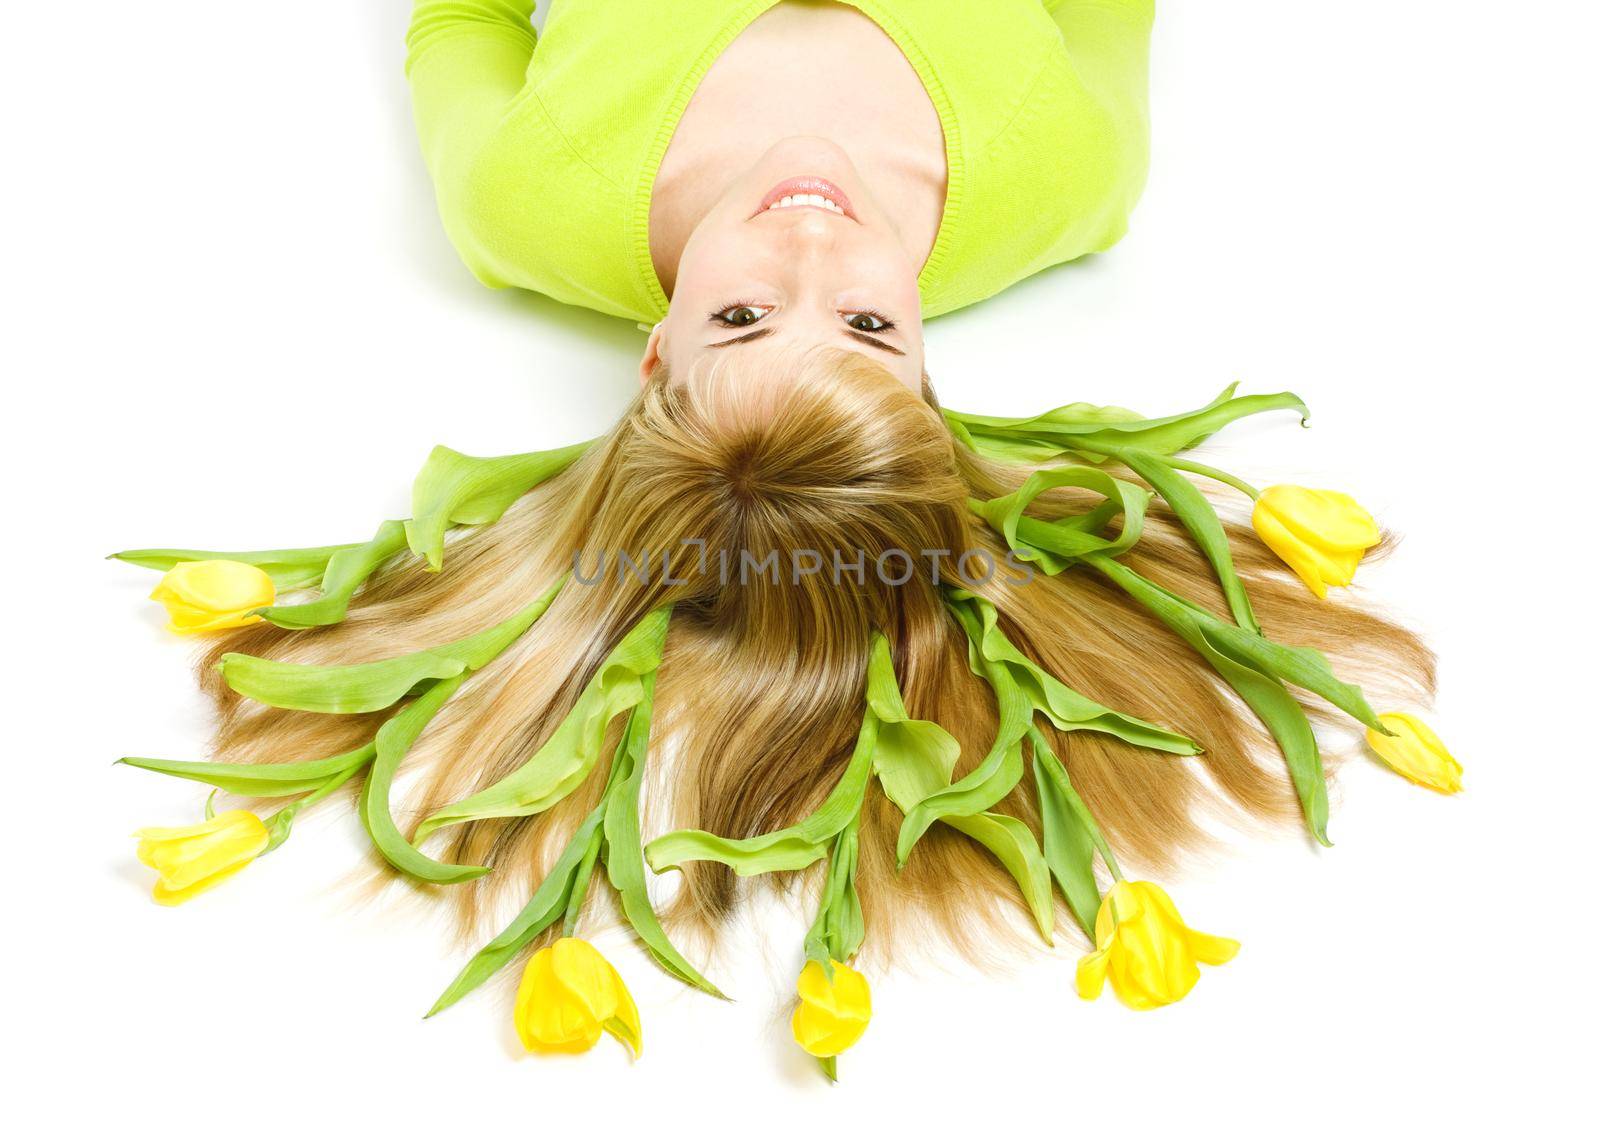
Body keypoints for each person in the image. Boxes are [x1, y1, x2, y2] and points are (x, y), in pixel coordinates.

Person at [115, 0, 1456, 1075]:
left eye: (742, 321)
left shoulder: (530, 199)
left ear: (654, 359)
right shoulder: (1065, 173)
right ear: (929, 380)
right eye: (870, 329)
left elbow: (458, 21)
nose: (812, 255)